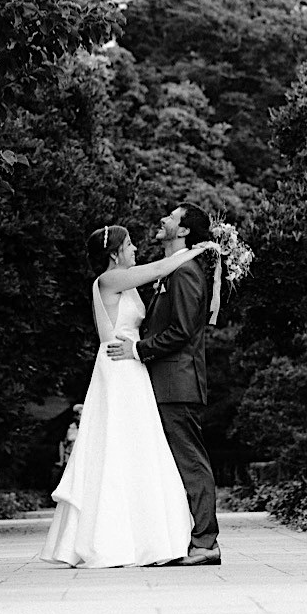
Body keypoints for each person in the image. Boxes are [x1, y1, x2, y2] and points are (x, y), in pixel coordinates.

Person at [39, 224, 219, 568]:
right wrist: (200, 248)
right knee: (119, 448)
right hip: (119, 368)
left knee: (138, 450)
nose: (135, 248)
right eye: (130, 244)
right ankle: (117, 539)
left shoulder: (126, 281)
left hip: (133, 367)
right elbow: (160, 268)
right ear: (114, 254)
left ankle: (145, 537)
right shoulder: (109, 280)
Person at [105, 203, 223, 566]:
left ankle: (206, 543)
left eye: (171, 217)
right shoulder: (172, 270)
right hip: (164, 382)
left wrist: (137, 349)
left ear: (183, 231)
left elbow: (183, 330)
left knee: (191, 463)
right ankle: (177, 539)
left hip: (178, 383)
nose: (163, 219)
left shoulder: (185, 272)